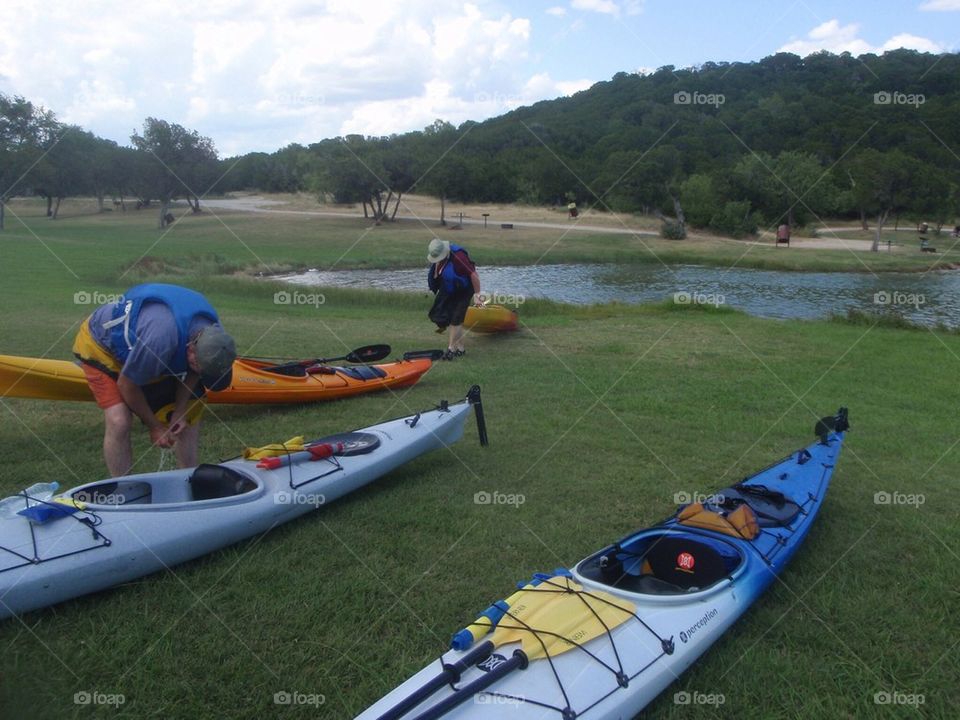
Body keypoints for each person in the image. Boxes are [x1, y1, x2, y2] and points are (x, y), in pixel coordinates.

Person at [72, 283, 236, 476]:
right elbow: (127, 385)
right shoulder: (161, 341)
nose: (198, 371)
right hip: (100, 345)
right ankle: (124, 490)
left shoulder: (214, 336)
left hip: (150, 340)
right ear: (191, 349)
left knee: (192, 413)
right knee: (119, 419)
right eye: (198, 365)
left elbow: (194, 372)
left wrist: (180, 412)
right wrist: (155, 427)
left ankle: (190, 478)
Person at [426, 238, 482, 361]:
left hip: (466, 289)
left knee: (456, 320)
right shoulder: (439, 259)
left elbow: (473, 275)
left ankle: (451, 349)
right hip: (451, 288)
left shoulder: (459, 257)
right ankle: (460, 349)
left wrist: (477, 295)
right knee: (449, 318)